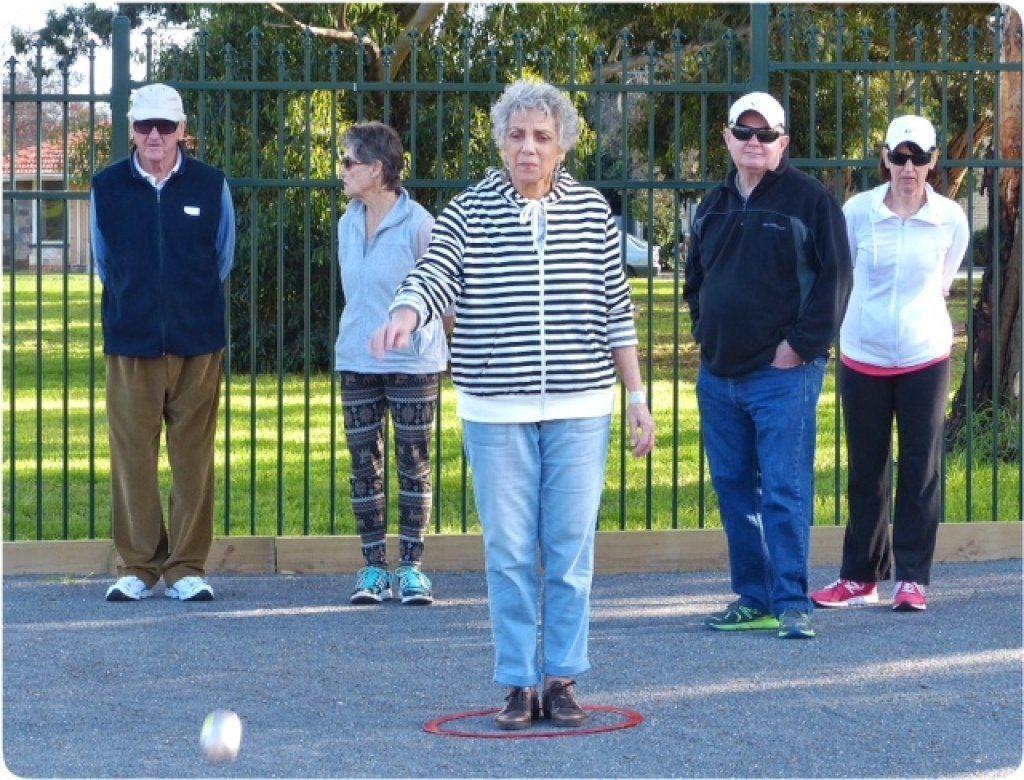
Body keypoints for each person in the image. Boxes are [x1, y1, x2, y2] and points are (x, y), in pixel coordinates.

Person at [371, 80, 655, 729]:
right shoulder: (469, 212)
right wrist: (407, 309)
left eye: (542, 137)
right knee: (507, 549)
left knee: (569, 545)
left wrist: (636, 397)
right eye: (517, 135)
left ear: (561, 147)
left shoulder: (591, 211)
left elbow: (616, 308)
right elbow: (435, 272)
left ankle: (561, 677)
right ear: (501, 142)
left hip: (582, 406)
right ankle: (518, 684)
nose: (529, 147)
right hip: (495, 407)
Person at [683, 91, 852, 639]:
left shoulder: (810, 201)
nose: (753, 142)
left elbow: (836, 281)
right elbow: (695, 282)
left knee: (784, 488)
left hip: (783, 376)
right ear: (727, 138)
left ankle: (791, 599)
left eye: (765, 134)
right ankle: (752, 596)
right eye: (743, 132)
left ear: (783, 143)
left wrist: (800, 347)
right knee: (734, 489)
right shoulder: (710, 205)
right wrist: (704, 334)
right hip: (719, 376)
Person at [811, 115, 969, 613]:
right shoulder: (858, 211)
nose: (907, 167)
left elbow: (943, 280)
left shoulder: (951, 218)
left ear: (933, 162)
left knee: (921, 467)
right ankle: (860, 575)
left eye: (918, 157)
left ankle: (913, 579)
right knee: (866, 469)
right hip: (863, 354)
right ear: (884, 158)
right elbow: (841, 271)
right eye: (899, 156)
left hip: (926, 355)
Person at [91, 83, 235, 602]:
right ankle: (138, 566)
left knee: (193, 455)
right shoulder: (106, 187)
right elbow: (105, 262)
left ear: (182, 132)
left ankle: (186, 567)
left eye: (165, 126)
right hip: (130, 342)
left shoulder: (210, 185)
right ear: (131, 130)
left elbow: (222, 258)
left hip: (198, 342)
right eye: (145, 126)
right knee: (132, 455)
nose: (155, 136)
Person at [335, 121, 450, 606]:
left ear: (376, 169)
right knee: (364, 465)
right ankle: (372, 569)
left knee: (413, 463)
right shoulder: (346, 221)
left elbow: (444, 298)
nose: (341, 170)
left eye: (349, 162)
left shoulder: (420, 223)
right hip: (357, 358)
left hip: (413, 362)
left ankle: (412, 570)